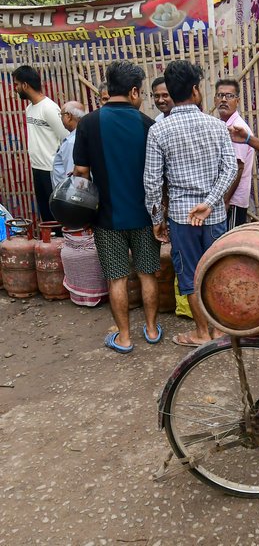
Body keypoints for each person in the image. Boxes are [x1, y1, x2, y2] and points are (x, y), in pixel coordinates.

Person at [144, 61, 237, 348]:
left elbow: (152, 182)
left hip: (182, 219)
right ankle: (219, 330)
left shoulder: (159, 131)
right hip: (214, 216)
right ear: (196, 90)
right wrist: (209, 203)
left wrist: (157, 219)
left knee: (191, 274)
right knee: (216, 272)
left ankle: (201, 332)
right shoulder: (216, 125)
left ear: (170, 92)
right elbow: (230, 169)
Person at [71, 61, 161, 353]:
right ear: (134, 91)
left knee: (116, 278)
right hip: (145, 216)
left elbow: (81, 174)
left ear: (109, 88)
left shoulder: (88, 123)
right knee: (148, 274)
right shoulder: (148, 125)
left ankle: (124, 337)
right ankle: (150, 328)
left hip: (106, 217)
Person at [12, 65, 69, 223]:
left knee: (56, 215)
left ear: (25, 85)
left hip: (51, 170)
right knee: (46, 214)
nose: (15, 89)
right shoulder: (30, 109)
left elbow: (66, 138)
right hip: (37, 168)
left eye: (16, 84)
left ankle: (61, 244)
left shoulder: (49, 108)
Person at [214, 78, 254, 230]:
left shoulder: (237, 127)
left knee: (230, 242)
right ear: (215, 99)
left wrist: (225, 200)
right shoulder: (223, 124)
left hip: (233, 200)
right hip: (227, 197)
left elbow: (238, 167)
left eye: (229, 96)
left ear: (237, 100)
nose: (224, 100)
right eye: (220, 95)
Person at [50, 101, 86, 188]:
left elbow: (73, 175)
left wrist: (74, 197)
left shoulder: (72, 142)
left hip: (68, 195)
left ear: (69, 116)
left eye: (61, 115)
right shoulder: (81, 135)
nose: (61, 118)